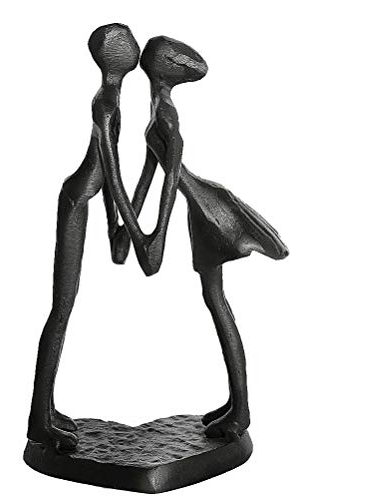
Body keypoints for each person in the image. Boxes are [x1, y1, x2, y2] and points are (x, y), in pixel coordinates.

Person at [113, 36, 289, 441]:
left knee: (217, 302)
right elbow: (151, 173)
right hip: (200, 208)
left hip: (207, 211)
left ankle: (241, 411)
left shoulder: (165, 113)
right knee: (216, 301)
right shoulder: (157, 108)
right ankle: (236, 404)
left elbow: (172, 177)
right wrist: (134, 221)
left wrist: (155, 233)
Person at [27, 23, 179, 450]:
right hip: (76, 203)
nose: (133, 47)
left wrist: (118, 225)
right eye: (126, 42)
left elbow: (110, 178)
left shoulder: (112, 97)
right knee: (61, 310)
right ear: (113, 54)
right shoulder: (106, 103)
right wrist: (137, 231)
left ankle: (45, 410)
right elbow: (110, 171)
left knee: (62, 311)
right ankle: (38, 420)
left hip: (85, 199)